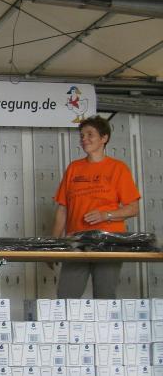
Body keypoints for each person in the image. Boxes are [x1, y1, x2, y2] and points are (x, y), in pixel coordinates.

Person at [52, 115, 140, 298]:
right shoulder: (74, 168)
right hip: (77, 242)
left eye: (90, 134)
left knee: (104, 297)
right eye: (82, 135)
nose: (84, 139)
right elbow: (62, 209)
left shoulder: (118, 168)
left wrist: (106, 215)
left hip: (108, 242)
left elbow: (133, 208)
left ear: (104, 138)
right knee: (66, 298)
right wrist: (52, 244)